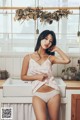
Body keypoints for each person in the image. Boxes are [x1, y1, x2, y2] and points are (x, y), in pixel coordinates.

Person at [21, 30, 70, 120]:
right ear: (40, 38)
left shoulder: (50, 58)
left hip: (53, 93)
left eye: (50, 41)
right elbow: (23, 76)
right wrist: (37, 77)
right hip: (38, 94)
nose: (47, 42)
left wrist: (57, 49)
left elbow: (67, 60)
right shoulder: (28, 57)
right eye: (46, 39)